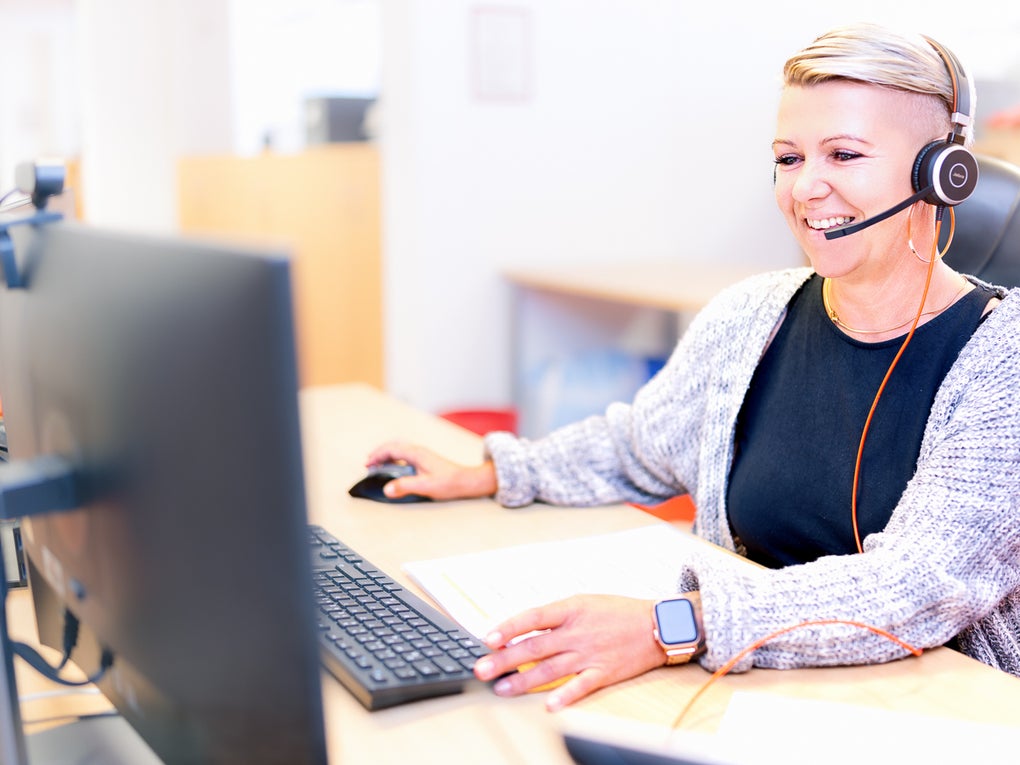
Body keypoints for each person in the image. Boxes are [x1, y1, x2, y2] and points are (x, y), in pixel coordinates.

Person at [366, 23, 1020, 713]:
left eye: (844, 154)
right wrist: (496, 471)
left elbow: (915, 586)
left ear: (942, 171)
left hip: (934, 715)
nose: (807, 188)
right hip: (751, 692)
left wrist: (672, 626)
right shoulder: (752, 316)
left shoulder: (1002, 360)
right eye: (790, 157)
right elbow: (637, 445)